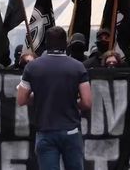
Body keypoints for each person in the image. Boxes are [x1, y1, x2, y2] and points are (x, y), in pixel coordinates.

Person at [17, 26, 91, 170]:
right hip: (71, 131)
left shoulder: (32, 67)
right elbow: (87, 102)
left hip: (45, 132)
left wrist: (40, 97)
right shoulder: (78, 67)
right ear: (66, 44)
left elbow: (21, 99)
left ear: (46, 43)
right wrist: (70, 101)